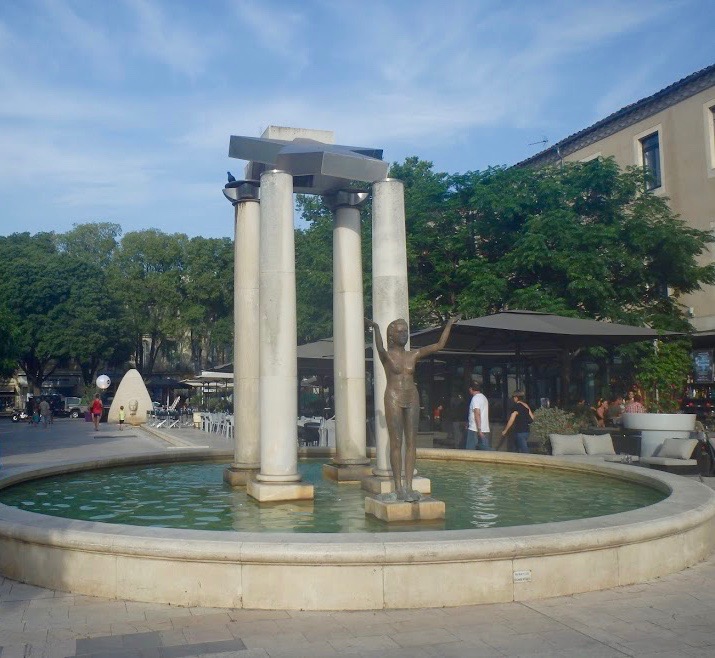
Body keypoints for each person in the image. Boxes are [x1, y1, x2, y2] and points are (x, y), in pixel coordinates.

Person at [365, 316, 457, 501]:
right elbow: (380, 348)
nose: (404, 334)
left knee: (412, 442)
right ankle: (398, 487)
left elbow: (438, 345)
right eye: (400, 331)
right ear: (391, 335)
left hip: (412, 397)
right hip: (393, 397)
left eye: (406, 331)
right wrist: (375, 327)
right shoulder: (387, 355)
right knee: (396, 442)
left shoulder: (413, 354)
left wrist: (448, 325)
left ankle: (409, 485)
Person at [466, 381, 491, 450]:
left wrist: (479, 429)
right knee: (484, 449)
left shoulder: (475, 399)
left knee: (470, 450)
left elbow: (477, 413)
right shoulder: (484, 398)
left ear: (471, 389)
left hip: (475, 428)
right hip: (484, 428)